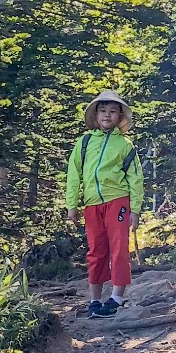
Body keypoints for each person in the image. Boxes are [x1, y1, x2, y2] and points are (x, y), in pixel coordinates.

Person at [64, 90, 144, 316]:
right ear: (96, 115)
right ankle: (95, 300)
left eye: (112, 112)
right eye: (103, 111)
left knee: (118, 248)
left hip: (118, 201)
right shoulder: (85, 142)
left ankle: (116, 298)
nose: (107, 115)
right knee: (96, 251)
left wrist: (135, 210)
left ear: (120, 117)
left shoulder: (125, 145)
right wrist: (72, 204)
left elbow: (135, 179)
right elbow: (74, 174)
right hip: (91, 204)